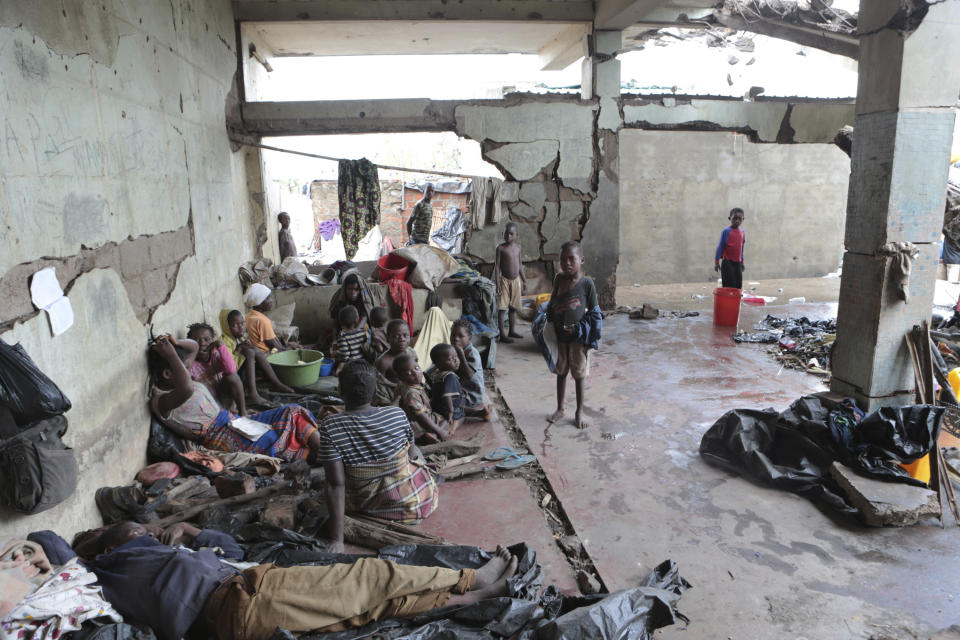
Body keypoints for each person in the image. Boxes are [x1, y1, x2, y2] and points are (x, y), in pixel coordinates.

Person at [39, 521, 517, 640]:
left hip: (250, 590)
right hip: (240, 603)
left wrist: (187, 531)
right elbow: (45, 536)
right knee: (372, 574)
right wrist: (88, 547)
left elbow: (232, 548)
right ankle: (469, 576)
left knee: (372, 609)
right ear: (106, 545)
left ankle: (473, 594)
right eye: (131, 529)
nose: (144, 529)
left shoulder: (167, 548)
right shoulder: (95, 574)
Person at [318, 361, 438, 553]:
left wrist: (337, 539)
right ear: (375, 393)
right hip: (413, 503)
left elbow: (335, 484)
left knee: (330, 480)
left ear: (340, 392)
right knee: (414, 454)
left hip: (367, 506)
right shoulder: (396, 414)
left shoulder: (330, 426)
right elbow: (412, 452)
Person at [148, 334, 320, 462]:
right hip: (219, 437)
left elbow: (192, 347)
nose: (189, 370)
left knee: (293, 411)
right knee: (271, 442)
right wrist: (171, 355)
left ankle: (323, 448)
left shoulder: (177, 380)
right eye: (185, 368)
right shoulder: (162, 401)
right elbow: (187, 388)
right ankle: (319, 456)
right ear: (168, 374)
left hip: (233, 420)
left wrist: (175, 344)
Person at [546, 241, 601, 430]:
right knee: (561, 373)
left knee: (578, 375)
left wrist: (581, 329)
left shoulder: (587, 284)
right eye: (563, 259)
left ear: (581, 260)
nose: (567, 263)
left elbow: (594, 312)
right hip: (561, 337)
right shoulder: (558, 280)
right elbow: (552, 302)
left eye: (572, 259)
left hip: (578, 340)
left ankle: (579, 411)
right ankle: (560, 408)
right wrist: (551, 319)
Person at [218, 309, 294, 403]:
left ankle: (276, 383)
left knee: (255, 350)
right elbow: (230, 366)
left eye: (242, 323)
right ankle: (252, 394)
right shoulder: (224, 342)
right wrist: (239, 350)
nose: (240, 327)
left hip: (240, 374)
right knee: (250, 352)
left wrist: (244, 346)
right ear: (226, 327)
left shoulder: (238, 338)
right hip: (231, 379)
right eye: (235, 325)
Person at [186, 322, 247, 416]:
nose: (202, 343)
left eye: (206, 339)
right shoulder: (190, 363)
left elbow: (231, 369)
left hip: (224, 397)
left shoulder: (216, 355)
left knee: (232, 376)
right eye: (197, 340)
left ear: (212, 341)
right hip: (208, 405)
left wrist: (221, 346)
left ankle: (243, 413)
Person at [394, 354, 452, 444]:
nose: (415, 374)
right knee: (446, 421)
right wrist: (440, 432)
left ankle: (430, 435)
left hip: (410, 420)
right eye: (409, 373)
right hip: (418, 422)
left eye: (417, 368)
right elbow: (422, 416)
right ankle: (433, 435)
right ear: (401, 377)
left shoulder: (403, 384)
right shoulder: (412, 393)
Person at [450, 319, 492, 420]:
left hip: (472, 394)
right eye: (453, 335)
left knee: (447, 404)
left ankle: (479, 413)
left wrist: (460, 354)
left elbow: (469, 374)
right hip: (460, 390)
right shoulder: (453, 350)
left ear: (469, 337)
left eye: (461, 336)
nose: (456, 339)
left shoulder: (472, 353)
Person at [493, 222, 526, 343]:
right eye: (506, 233)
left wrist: (524, 281)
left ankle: (512, 331)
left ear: (516, 235)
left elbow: (520, 265)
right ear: (503, 234)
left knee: (513, 308)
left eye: (511, 234)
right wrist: (497, 283)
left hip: (516, 280)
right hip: (504, 281)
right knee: (502, 309)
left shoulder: (518, 248)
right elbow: (497, 267)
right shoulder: (500, 248)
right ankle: (502, 334)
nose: (508, 236)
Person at [373, 319, 417, 406]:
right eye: (396, 336)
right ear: (387, 338)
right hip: (393, 399)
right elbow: (378, 390)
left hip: (413, 394)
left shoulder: (411, 353)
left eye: (405, 335)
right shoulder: (383, 362)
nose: (402, 339)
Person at [426, 344, 465, 429]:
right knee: (460, 416)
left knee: (463, 409)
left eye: (456, 356)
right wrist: (450, 411)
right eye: (450, 359)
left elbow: (441, 388)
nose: (456, 360)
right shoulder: (450, 376)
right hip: (446, 408)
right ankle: (447, 429)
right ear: (439, 364)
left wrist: (460, 389)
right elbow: (447, 395)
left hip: (436, 405)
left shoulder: (437, 373)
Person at [243, 283, 286, 353]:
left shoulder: (249, 316)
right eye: (267, 298)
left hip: (257, 355)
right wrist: (294, 349)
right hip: (266, 356)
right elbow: (276, 348)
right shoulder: (262, 321)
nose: (271, 300)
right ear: (259, 302)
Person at [714, 207, 745, 289]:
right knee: (729, 285)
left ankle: (735, 301)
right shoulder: (726, 231)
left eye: (739, 219)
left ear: (743, 219)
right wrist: (716, 262)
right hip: (728, 262)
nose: (737, 221)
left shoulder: (742, 232)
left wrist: (742, 262)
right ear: (730, 218)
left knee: (738, 285)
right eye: (735, 218)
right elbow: (720, 247)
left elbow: (742, 248)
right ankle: (728, 302)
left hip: (737, 263)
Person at [334, 305, 368, 375]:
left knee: (338, 366)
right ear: (357, 319)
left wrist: (337, 354)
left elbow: (345, 355)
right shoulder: (363, 332)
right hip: (364, 363)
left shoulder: (342, 336)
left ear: (340, 321)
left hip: (352, 366)